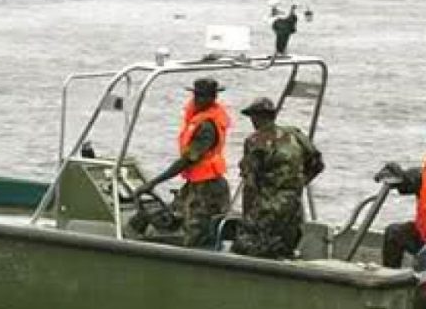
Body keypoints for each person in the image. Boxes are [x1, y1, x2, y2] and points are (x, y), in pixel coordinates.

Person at [131, 78, 231, 248]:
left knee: (195, 238)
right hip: (195, 185)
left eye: (204, 96)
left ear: (213, 98)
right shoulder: (199, 119)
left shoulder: (207, 127)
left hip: (208, 188)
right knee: (166, 217)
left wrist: (153, 182)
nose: (198, 100)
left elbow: (187, 160)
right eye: (197, 95)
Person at [232, 97, 324, 259]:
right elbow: (317, 165)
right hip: (294, 207)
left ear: (256, 117)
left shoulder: (255, 141)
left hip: (268, 208)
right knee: (284, 247)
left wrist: (247, 219)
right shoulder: (295, 134)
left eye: (252, 116)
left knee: (244, 245)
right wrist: (298, 184)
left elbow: (250, 185)